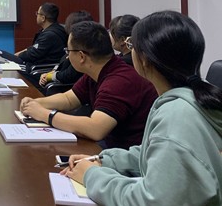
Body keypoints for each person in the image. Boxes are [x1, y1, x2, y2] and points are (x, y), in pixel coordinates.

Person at [62, 11, 222, 206]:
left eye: (131, 46)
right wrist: (105, 160)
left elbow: (149, 201)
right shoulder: (191, 97)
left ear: (144, 59)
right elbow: (156, 152)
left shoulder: (176, 116)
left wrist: (92, 176)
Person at [20, 21, 158, 149]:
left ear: (81, 56)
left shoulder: (119, 81)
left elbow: (95, 129)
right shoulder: (99, 70)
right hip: (111, 145)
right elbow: (69, 99)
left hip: (127, 153)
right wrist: (36, 103)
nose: (67, 56)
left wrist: (44, 114)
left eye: (68, 51)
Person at [39, 10, 94, 88]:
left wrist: (49, 76)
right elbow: (61, 64)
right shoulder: (73, 44)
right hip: (57, 81)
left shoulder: (83, 49)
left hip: (65, 87)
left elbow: (68, 75)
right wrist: (48, 74)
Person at [14, 2, 67, 67]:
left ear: (43, 18)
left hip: (42, 68)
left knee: (5, 55)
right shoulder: (51, 29)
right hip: (38, 65)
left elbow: (33, 55)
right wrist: (16, 55)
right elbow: (33, 48)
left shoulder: (49, 35)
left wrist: (16, 57)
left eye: (37, 13)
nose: (36, 15)